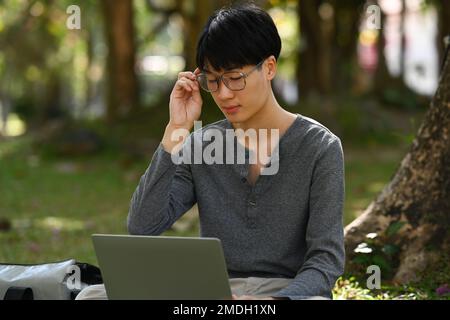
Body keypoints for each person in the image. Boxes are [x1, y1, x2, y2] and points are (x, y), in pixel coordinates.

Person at [76, 2, 344, 300]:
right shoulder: (200, 145)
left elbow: (325, 260)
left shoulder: (320, 147)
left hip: (284, 293)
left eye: (234, 78)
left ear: (269, 67)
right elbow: (143, 226)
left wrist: (272, 301)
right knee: (92, 297)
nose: (224, 93)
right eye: (212, 81)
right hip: (211, 292)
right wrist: (176, 130)